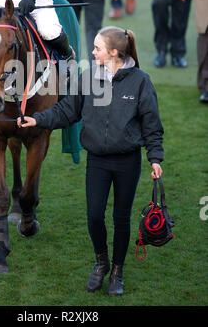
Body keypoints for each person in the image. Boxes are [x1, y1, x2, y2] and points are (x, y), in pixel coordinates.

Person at [17, 26, 164, 296]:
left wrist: (155, 158)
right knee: (95, 216)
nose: (92, 52)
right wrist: (37, 119)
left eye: (97, 48)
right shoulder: (87, 78)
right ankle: (101, 262)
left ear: (114, 52)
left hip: (127, 162)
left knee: (121, 219)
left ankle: (117, 271)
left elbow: (152, 126)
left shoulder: (141, 81)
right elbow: (67, 111)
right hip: (97, 160)